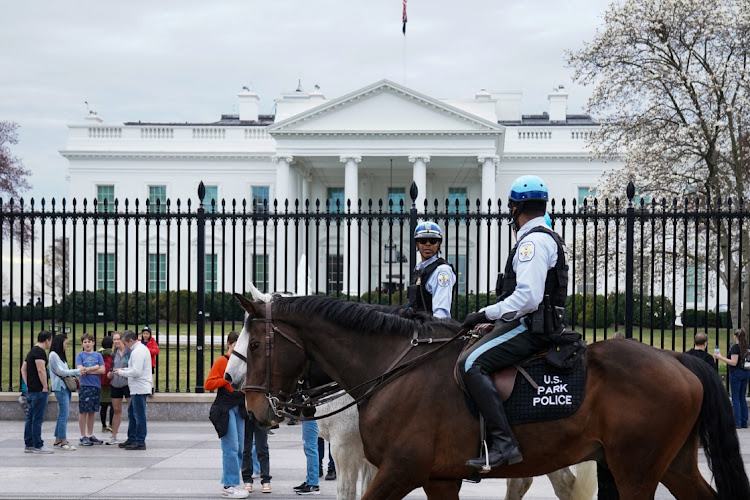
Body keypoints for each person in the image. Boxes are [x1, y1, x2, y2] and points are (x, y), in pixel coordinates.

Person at [459, 175, 568, 470]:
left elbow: (528, 299)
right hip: (537, 323)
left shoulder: (531, 243)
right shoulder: (547, 236)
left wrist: (484, 314)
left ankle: (504, 444)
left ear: (516, 209)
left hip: (532, 327)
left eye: (511, 210)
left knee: (469, 364)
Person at [206, 332, 251, 498]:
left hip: (239, 407)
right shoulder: (222, 361)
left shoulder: (244, 362)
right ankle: (229, 485)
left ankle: (233, 483)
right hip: (225, 408)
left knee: (239, 448)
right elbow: (209, 384)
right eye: (234, 345)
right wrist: (227, 379)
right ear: (228, 345)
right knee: (231, 447)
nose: (237, 348)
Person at [407, 221, 456, 319]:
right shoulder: (419, 268)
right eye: (423, 241)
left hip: (429, 329)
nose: (428, 244)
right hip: (416, 327)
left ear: (439, 243)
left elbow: (441, 313)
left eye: (433, 241)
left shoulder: (442, 271)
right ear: (417, 243)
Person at [114, 330, 152, 450]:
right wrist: (124, 370)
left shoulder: (138, 351)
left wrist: (121, 372)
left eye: (125, 343)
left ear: (131, 341)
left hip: (139, 388)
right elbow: (134, 369)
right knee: (132, 414)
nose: (124, 346)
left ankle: (140, 440)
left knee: (139, 415)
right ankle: (132, 438)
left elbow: (136, 372)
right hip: (136, 388)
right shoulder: (138, 349)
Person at [49, 334, 85, 450]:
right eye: (65, 343)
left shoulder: (59, 356)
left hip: (65, 387)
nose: (66, 346)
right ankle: (64, 441)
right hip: (60, 388)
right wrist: (78, 371)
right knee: (64, 415)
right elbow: (61, 371)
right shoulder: (53, 355)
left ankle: (58, 439)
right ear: (60, 343)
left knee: (62, 415)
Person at [21, 330, 54, 453]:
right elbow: (41, 370)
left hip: (31, 390)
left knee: (30, 417)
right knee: (37, 418)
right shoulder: (40, 352)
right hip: (39, 391)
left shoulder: (31, 351)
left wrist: (28, 383)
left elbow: (23, 369)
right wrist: (45, 386)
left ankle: (28, 444)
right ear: (47, 340)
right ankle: (38, 444)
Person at [714, 328, 749, 428]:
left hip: (736, 373)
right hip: (746, 372)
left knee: (736, 398)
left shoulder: (735, 348)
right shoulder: (747, 347)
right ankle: (744, 421)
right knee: (742, 397)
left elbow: (733, 362)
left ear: (735, 336)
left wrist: (720, 357)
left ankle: (737, 422)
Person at [76, 333, 105, 446]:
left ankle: (90, 434)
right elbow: (80, 370)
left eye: (89, 341)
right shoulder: (80, 355)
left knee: (92, 411)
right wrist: (94, 368)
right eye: (85, 342)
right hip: (85, 386)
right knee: (83, 411)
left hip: (96, 386)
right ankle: (82, 435)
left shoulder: (98, 355)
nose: (87, 344)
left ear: (93, 343)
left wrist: (88, 370)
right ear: (82, 344)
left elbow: (102, 370)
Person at [107, 331, 130, 445]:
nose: (116, 341)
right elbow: (110, 368)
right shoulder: (113, 354)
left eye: (118, 339)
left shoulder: (129, 352)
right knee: (116, 410)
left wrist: (122, 371)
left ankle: (133, 434)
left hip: (127, 383)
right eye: (114, 340)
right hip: (115, 383)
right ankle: (114, 435)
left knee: (132, 409)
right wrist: (110, 374)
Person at [98, 336, 114, 433]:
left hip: (101, 383)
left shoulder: (99, 354)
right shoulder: (113, 355)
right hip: (111, 383)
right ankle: (111, 424)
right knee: (112, 405)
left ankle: (103, 425)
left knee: (103, 406)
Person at [140, 326, 160, 394]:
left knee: (150, 376)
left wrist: (147, 350)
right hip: (141, 362)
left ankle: (151, 389)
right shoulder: (139, 342)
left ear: (150, 334)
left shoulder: (152, 342)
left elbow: (156, 351)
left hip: (150, 363)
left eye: (147, 334)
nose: (145, 335)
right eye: (144, 333)